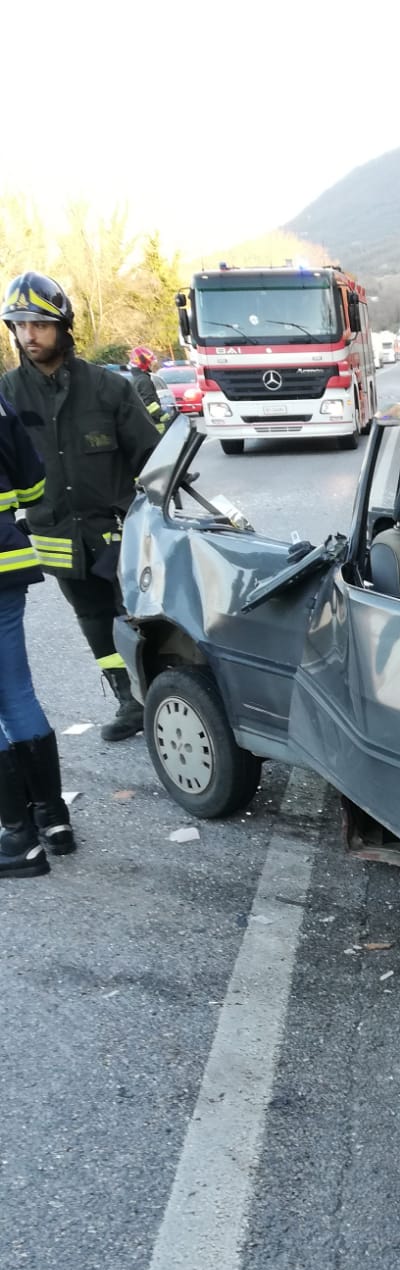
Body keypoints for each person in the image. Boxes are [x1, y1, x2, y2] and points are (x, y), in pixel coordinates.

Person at [0, 272, 161, 741]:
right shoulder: (8, 395)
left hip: (117, 530)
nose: (29, 335)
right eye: (20, 325)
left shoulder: (108, 388)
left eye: (40, 324)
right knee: (92, 620)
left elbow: (152, 460)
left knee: (140, 617)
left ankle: (160, 697)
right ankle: (128, 701)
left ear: (63, 327)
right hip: (56, 536)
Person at [0, 394, 75, 878]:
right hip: (6, 559)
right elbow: (33, 484)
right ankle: (53, 820)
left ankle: (17, 838)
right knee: (17, 694)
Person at [127, 347, 167, 434]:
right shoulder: (144, 380)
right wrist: (162, 414)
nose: (151, 365)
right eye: (149, 362)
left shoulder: (136, 379)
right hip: (154, 425)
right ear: (143, 363)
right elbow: (149, 403)